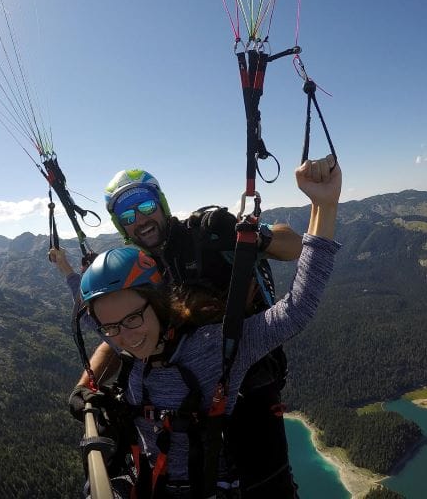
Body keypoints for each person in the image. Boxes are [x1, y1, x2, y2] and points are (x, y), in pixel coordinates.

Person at [78, 157, 341, 498]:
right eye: (128, 216)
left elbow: (292, 250)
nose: (140, 220)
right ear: (120, 226)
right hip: (183, 387)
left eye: (145, 206)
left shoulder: (201, 233)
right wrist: (86, 387)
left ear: (162, 205)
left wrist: (252, 236)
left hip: (241, 372)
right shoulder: (135, 272)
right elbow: (119, 337)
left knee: (262, 478)